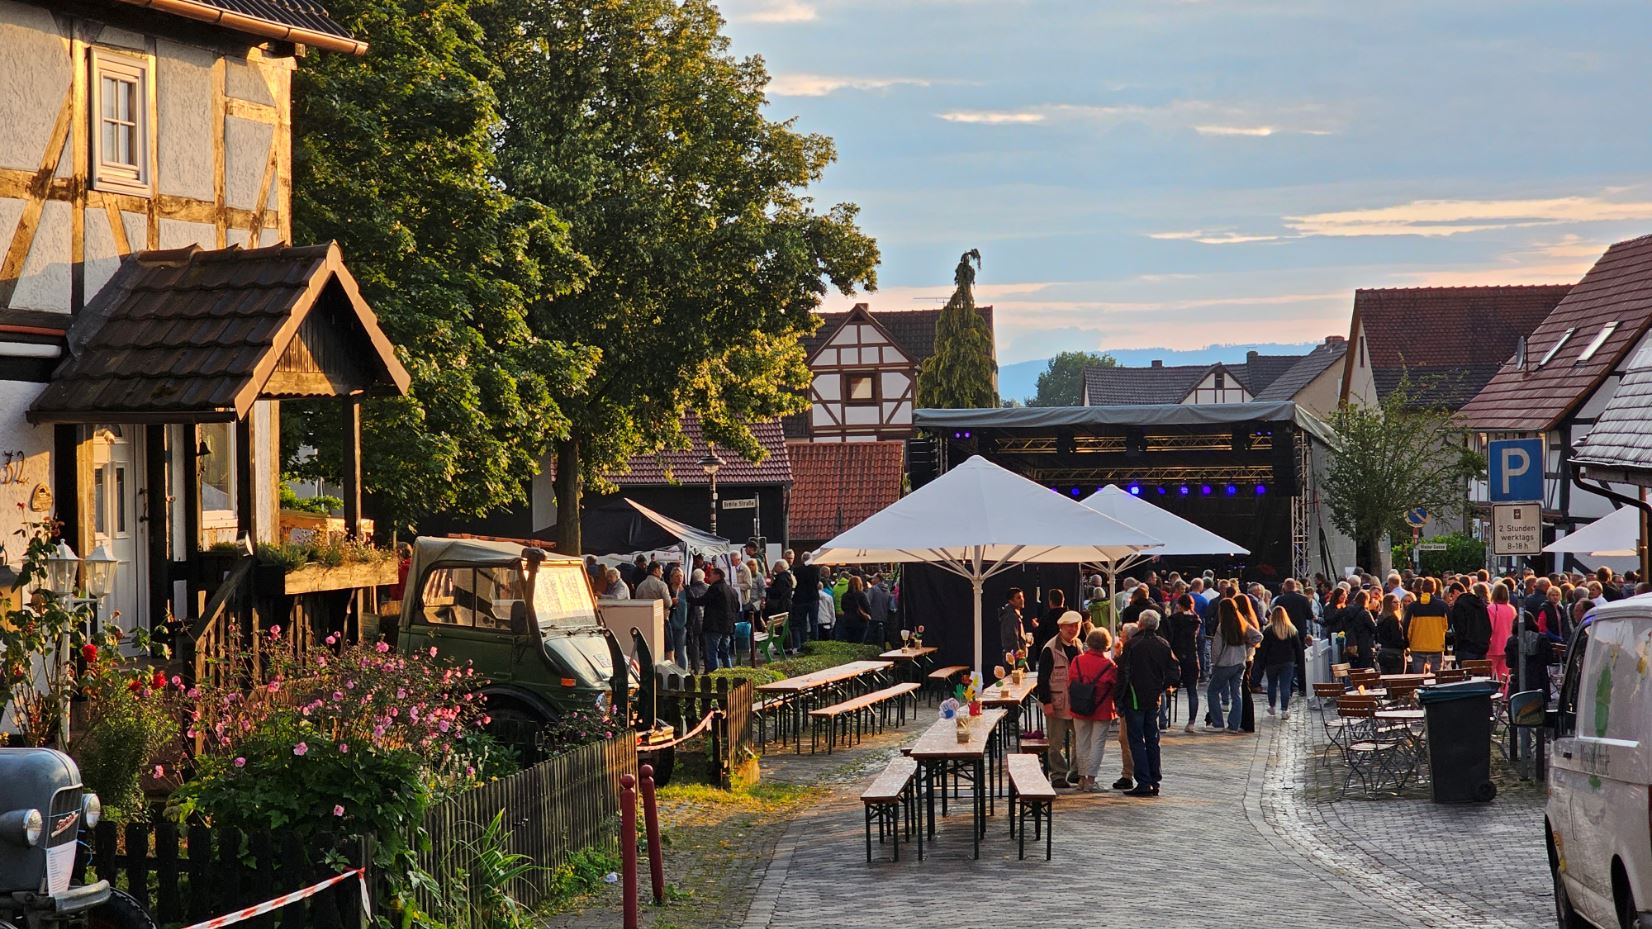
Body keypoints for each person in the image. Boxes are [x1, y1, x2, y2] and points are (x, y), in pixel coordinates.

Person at [1117, 610, 1179, 797]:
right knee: (1153, 739)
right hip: (1154, 698)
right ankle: (1154, 780)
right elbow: (1175, 672)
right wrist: (1162, 685)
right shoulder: (1163, 644)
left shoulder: (1132, 644)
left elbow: (1123, 674)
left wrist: (1119, 698)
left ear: (1141, 624)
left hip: (1135, 697)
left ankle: (1144, 781)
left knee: (1137, 740)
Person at [1067, 626, 1119, 793]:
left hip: (1079, 707)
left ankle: (1081, 778)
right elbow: (1114, 686)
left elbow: (1071, 681)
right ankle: (1091, 780)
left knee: (1081, 742)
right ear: (1106, 645)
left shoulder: (1077, 661)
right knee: (1097, 743)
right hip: (1102, 709)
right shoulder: (1109, 665)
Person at [1038, 611, 1085, 789]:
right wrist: (1046, 702)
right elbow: (1042, 678)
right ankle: (1057, 774)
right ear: (1061, 627)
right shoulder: (1050, 648)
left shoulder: (1079, 645)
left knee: (1079, 738)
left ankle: (1076, 770)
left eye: (1076, 626)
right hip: (1056, 701)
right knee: (1055, 741)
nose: (1073, 630)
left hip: (1076, 701)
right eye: (1070, 626)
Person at [1207, 598, 1259, 732]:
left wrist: (1214, 663)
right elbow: (1258, 636)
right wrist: (1247, 647)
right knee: (1236, 694)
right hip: (1240, 662)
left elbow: (1217, 649)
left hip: (1225, 663)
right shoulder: (1243, 624)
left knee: (1212, 691)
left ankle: (1218, 723)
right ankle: (1234, 725)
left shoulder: (1222, 626)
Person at [1162, 594, 1202, 733]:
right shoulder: (1196, 620)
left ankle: (1162, 718)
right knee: (1192, 690)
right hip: (1191, 656)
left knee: (1167, 687)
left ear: (1179, 605)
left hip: (1175, 657)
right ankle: (1191, 722)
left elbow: (1169, 637)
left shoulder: (1173, 619)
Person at [1256, 606, 1305, 719]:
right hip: (1287, 661)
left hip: (1272, 661)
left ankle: (1272, 706)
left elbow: (1264, 649)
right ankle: (1284, 709)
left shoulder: (1268, 630)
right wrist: (1299, 661)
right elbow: (1298, 647)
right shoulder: (1291, 630)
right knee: (1285, 685)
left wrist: (1261, 663)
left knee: (1272, 684)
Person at [688, 565, 740, 670]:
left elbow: (701, 601)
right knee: (725, 652)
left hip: (714, 626)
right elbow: (737, 607)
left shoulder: (715, 589)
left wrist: (688, 593)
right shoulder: (732, 590)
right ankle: (728, 673)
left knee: (712, 651)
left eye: (711, 575)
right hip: (727, 626)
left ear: (717, 576)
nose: (708, 577)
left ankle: (714, 675)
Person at [1403, 577, 1448, 672]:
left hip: (1417, 646)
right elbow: (1447, 626)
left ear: (1421, 589)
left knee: (1419, 678)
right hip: (1436, 646)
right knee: (1437, 679)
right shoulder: (1442, 606)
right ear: (1434, 589)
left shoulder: (1413, 606)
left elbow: (1407, 628)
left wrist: (1408, 642)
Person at [1452, 581, 1493, 662]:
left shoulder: (1459, 605)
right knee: (1480, 673)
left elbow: (1459, 628)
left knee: (1466, 672)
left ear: (1455, 592)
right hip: (1482, 647)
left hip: (1466, 648)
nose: (1452, 599)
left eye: (1451, 596)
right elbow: (1487, 625)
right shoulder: (1480, 604)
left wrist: (1459, 645)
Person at [1339, 589, 1378, 670]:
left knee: (1354, 670)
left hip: (1351, 644)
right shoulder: (1365, 613)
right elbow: (1374, 628)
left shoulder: (1347, 611)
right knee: (1365, 671)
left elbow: (1342, 626)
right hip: (1365, 645)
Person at [1486, 582, 1516, 682]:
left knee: (1489, 675)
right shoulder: (1512, 609)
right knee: (1505, 676)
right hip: (1507, 646)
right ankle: (1504, 695)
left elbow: (1489, 628)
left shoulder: (1491, 608)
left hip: (1493, 646)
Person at [790, 553, 819, 648]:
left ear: (802, 559)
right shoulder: (815, 569)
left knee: (802, 622)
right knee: (814, 622)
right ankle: (815, 643)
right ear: (810, 559)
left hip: (800, 599)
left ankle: (803, 643)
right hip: (813, 598)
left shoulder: (797, 570)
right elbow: (816, 582)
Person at [1375, 592, 1407, 674]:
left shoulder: (1380, 618)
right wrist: (1406, 644)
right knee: (1397, 681)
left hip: (1383, 652)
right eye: (1395, 602)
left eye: (1398, 602)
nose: (1398, 604)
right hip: (1395, 654)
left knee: (1386, 680)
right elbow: (1396, 637)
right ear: (1388, 604)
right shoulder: (1393, 619)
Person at [1033, 589, 1067, 664]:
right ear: (1063, 600)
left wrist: (1036, 628)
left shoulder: (1046, 618)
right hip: (1069, 653)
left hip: (1051, 654)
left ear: (1050, 602)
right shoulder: (1070, 616)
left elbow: (1038, 639)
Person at [767, 560, 795, 652]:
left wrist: (768, 589)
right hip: (785, 604)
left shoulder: (782, 578)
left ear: (781, 567)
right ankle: (785, 646)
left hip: (782, 605)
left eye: (776, 566)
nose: (774, 568)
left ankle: (785, 647)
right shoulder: (787, 577)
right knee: (784, 626)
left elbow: (778, 592)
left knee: (782, 627)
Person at [686, 568, 709, 672]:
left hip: (694, 620)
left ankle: (695, 668)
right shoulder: (709, 588)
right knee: (707, 645)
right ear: (703, 577)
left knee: (695, 644)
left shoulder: (690, 589)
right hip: (707, 620)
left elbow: (689, 605)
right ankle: (708, 667)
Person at [667, 567, 690, 667]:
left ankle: (684, 674)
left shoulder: (687, 590)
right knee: (669, 651)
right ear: (671, 578)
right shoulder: (667, 589)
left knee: (681, 650)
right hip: (669, 624)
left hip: (682, 625)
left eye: (681, 576)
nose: (679, 578)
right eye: (677, 576)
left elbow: (692, 605)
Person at [840, 575, 871, 644]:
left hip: (848, 621)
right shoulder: (862, 595)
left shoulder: (845, 595)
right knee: (859, 642)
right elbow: (867, 608)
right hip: (860, 621)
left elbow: (843, 607)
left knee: (850, 642)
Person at [998, 588, 1028, 660]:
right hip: (1015, 658)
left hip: (1017, 656)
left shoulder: (1014, 615)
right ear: (1011, 601)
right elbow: (1012, 640)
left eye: (1022, 597)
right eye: (1018, 598)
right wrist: (1020, 660)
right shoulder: (1011, 617)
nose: (1022, 599)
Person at [866, 573, 892, 645]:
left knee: (872, 639)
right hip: (884, 617)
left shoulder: (873, 589)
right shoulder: (887, 590)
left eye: (873, 578)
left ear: (878, 579)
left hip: (873, 617)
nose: (871, 580)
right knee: (882, 639)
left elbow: (867, 602)